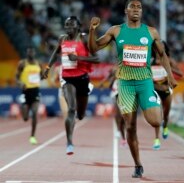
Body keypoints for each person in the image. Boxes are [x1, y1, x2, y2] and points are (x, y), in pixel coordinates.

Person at [88, 0, 177, 178]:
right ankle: (137, 164)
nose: (136, 9)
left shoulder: (151, 32)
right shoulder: (116, 31)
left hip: (145, 82)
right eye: (132, 6)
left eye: (139, 7)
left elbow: (162, 55)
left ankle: (151, 107)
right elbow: (94, 48)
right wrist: (91, 30)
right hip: (125, 84)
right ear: (126, 11)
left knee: (155, 121)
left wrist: (170, 76)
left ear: (141, 12)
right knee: (129, 126)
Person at [42, 16, 99, 155]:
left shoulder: (84, 38)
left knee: (80, 115)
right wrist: (48, 67)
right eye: (66, 25)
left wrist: (78, 58)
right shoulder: (62, 38)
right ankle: (69, 142)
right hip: (67, 78)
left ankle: (88, 89)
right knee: (71, 109)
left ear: (78, 27)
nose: (68, 28)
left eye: (71, 25)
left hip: (83, 78)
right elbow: (56, 53)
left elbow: (96, 58)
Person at [151, 40, 183, 144]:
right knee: (157, 114)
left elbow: (180, 74)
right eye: (157, 46)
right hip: (155, 89)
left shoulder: (170, 60)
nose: (160, 48)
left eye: (162, 46)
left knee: (166, 113)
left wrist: (169, 70)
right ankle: (156, 138)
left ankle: (165, 126)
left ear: (165, 48)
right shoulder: (150, 60)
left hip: (166, 89)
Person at [16, 46, 43, 145]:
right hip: (25, 91)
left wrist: (44, 75)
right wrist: (20, 83)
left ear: (34, 53)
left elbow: (41, 76)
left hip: (35, 91)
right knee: (25, 118)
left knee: (35, 112)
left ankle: (32, 136)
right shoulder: (22, 63)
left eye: (32, 52)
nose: (30, 54)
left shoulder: (38, 63)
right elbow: (17, 77)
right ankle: (24, 111)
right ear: (26, 53)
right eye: (29, 52)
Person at [98, 66, 127, 147]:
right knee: (118, 114)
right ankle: (119, 130)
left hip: (126, 90)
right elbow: (109, 76)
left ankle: (123, 135)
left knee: (124, 117)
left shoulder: (129, 67)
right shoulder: (115, 68)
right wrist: (102, 82)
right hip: (117, 91)